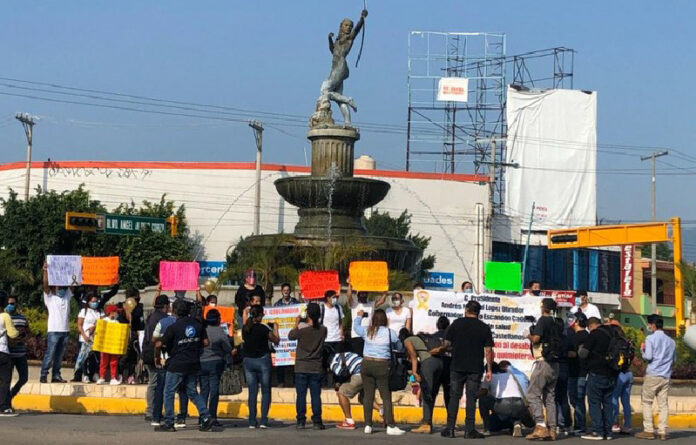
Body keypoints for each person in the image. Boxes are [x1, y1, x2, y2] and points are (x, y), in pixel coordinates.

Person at [155, 299, 215, 433]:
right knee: (192, 392)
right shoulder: (198, 325)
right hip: (193, 363)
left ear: (175, 311)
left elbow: (159, 344)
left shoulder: (173, 327)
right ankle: (206, 416)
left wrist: (157, 355)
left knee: (169, 392)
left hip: (177, 364)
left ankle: (169, 422)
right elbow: (206, 342)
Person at [440, 300, 493, 439]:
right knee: (471, 398)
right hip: (475, 367)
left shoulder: (456, 324)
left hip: (457, 365)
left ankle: (450, 428)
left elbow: (446, 344)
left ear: (466, 310)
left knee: (454, 397)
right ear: (478, 312)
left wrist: (453, 348)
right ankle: (469, 430)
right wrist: (489, 369)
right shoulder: (484, 327)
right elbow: (488, 351)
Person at [353, 308, 406, 435]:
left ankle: (368, 425)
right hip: (382, 364)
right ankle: (390, 425)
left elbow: (355, 327)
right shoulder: (389, 333)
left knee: (368, 395)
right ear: (385, 320)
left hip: (366, 363)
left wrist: (359, 316)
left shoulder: (367, 331)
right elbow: (400, 347)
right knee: (385, 396)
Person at [635, 315, 676, 441]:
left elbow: (648, 357)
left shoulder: (650, 338)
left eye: (649, 324)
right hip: (666, 376)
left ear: (653, 325)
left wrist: (642, 350)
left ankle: (648, 430)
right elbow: (674, 359)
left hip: (653, 374)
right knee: (663, 404)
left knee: (647, 401)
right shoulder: (671, 341)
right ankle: (662, 431)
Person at [525, 298, 560, 440]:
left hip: (543, 362)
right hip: (555, 364)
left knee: (532, 394)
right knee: (550, 397)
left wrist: (528, 335)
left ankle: (540, 426)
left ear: (543, 307)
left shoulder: (543, 320)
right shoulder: (556, 322)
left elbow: (536, 339)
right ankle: (552, 429)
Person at [289, 302, 328, 429]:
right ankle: (317, 420)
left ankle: (301, 420)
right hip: (315, 366)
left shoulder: (302, 330)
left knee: (301, 395)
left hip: (301, 366)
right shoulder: (323, 330)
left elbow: (291, 336)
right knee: (316, 395)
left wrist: (297, 322)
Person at [578, 317, 616, 440]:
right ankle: (608, 432)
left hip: (596, 373)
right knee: (608, 403)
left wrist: (580, 348)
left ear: (591, 326)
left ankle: (598, 431)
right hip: (611, 374)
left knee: (594, 403)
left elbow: (583, 354)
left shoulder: (594, 334)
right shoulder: (612, 333)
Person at [242, 305, 280, 429]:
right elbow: (276, 340)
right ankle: (263, 420)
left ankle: (252, 420)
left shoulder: (245, 328)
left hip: (248, 361)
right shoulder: (263, 329)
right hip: (262, 361)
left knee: (252, 392)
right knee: (265, 391)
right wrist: (276, 328)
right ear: (259, 315)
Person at [479, 361, 535, 437]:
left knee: (483, 399)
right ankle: (516, 422)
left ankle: (487, 429)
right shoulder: (511, 375)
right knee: (513, 411)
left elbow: (483, 392)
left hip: (503, 405)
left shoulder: (489, 376)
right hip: (520, 404)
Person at [331, 351, 382, 430]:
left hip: (359, 374)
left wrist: (338, 384)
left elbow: (341, 373)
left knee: (341, 393)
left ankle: (349, 421)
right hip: (370, 372)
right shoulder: (346, 354)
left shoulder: (333, 362)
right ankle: (383, 412)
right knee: (364, 398)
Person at [40, 262, 73, 383]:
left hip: (65, 331)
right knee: (50, 354)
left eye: (63, 287)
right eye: (59, 287)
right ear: (54, 287)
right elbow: (45, 285)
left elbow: (73, 284)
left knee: (59, 356)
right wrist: (45, 271)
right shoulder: (49, 298)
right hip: (53, 331)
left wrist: (77, 271)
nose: (62, 289)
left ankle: (56, 375)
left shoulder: (67, 296)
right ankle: (43, 374)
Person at [200, 309, 233, 428]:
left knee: (204, 390)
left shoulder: (202, 330)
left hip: (202, 362)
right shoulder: (220, 332)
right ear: (218, 320)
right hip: (215, 362)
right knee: (214, 390)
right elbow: (228, 348)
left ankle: (203, 416)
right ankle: (212, 417)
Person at [143, 294, 173, 426]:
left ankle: (152, 410)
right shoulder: (164, 319)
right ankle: (151, 411)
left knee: (153, 382)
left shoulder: (151, 316)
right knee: (156, 383)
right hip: (157, 354)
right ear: (166, 306)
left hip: (149, 352)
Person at [403, 330, 440, 434]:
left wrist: (414, 372)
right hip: (439, 362)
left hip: (428, 363)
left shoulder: (407, 340)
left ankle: (426, 425)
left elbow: (414, 356)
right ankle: (428, 422)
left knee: (426, 393)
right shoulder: (421, 338)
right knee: (431, 393)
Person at [347, 281, 387, 356]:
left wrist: (385, 289)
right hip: (356, 336)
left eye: (365, 293)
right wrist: (350, 284)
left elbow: (382, 300)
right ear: (358, 294)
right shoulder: (354, 304)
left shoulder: (371, 304)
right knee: (358, 357)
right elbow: (349, 295)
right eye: (361, 293)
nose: (363, 295)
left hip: (368, 336)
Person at [608, 320, 633, 435]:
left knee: (614, 398)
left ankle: (615, 423)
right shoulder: (627, 342)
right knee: (626, 401)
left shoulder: (615, 342)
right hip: (629, 373)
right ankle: (627, 425)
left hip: (619, 374)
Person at [567, 312, 589, 435]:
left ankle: (580, 426)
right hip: (580, 372)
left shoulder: (578, 337)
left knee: (577, 400)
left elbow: (575, 353)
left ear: (577, 322)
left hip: (577, 372)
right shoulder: (587, 335)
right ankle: (579, 425)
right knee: (577, 400)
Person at [5, 295, 28, 412]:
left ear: (17, 304)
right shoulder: (3, 318)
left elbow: (27, 332)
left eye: (13, 303)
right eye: (9, 303)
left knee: (24, 378)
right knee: (6, 380)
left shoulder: (22, 318)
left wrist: (22, 339)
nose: (10, 306)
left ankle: (10, 396)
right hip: (8, 354)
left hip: (21, 353)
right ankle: (6, 403)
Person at [73, 292, 103, 383]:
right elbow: (79, 325)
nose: (95, 303)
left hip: (95, 338)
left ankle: (93, 374)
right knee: (84, 357)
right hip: (85, 338)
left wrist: (95, 327)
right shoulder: (83, 311)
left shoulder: (99, 312)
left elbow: (102, 322)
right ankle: (84, 374)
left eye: (96, 301)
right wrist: (84, 335)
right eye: (93, 301)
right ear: (89, 302)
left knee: (94, 357)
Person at [120, 288, 146, 385]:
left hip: (137, 334)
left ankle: (132, 375)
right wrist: (127, 310)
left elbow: (140, 321)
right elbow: (124, 320)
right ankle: (121, 373)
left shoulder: (139, 307)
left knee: (134, 356)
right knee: (125, 356)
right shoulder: (123, 307)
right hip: (126, 334)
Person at [0, 291, 19, 416]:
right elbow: (13, 334)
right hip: (2, 351)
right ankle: (3, 406)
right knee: (5, 380)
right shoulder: (5, 316)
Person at [554, 317, 572, 435]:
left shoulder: (553, 340)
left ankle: (555, 423)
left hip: (555, 368)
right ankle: (567, 423)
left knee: (553, 398)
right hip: (565, 368)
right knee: (564, 398)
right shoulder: (567, 339)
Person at [97, 305, 123, 385]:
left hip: (113, 345)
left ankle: (113, 377)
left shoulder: (116, 322)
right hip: (105, 345)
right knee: (103, 361)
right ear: (111, 312)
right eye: (115, 312)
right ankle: (101, 377)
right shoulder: (104, 321)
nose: (117, 313)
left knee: (113, 361)